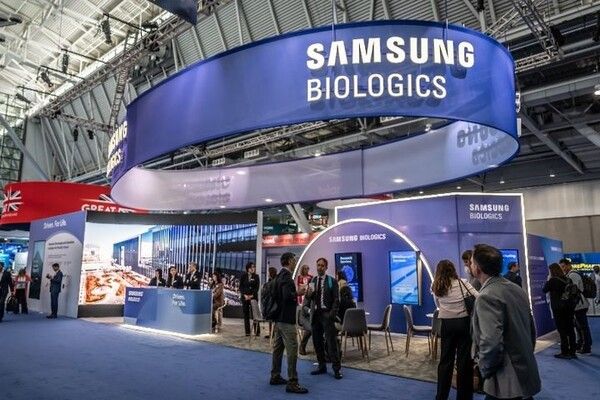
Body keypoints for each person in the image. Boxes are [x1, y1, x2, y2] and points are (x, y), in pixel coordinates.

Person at [470, 244, 540, 400]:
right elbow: (531, 330)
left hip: (505, 379)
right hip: (524, 369)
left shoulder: (486, 296)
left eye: (472, 262)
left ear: (478, 268)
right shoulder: (517, 289)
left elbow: (491, 341)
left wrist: (484, 369)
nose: (470, 266)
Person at [432, 259, 479, 400]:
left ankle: (441, 396)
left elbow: (437, 304)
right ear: (453, 270)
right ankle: (464, 397)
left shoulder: (436, 286)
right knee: (464, 362)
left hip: (446, 325)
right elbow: (478, 297)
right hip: (464, 324)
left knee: (445, 361)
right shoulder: (463, 283)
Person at [270, 252, 308, 394]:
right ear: (289, 261)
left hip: (279, 319)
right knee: (292, 350)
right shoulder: (287, 277)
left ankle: (275, 376)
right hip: (286, 320)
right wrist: (298, 293)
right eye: (294, 259)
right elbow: (287, 296)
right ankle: (292, 382)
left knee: (278, 349)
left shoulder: (279, 276)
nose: (295, 262)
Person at [304, 257, 342, 380]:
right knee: (317, 342)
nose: (319, 267)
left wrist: (332, 314)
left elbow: (336, 299)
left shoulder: (332, 281)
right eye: (318, 265)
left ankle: (336, 369)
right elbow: (308, 298)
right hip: (316, 315)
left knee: (331, 343)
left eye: (322, 265)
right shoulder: (313, 280)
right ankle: (322, 366)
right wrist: (308, 293)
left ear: (326, 267)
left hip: (327, 314)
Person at [542, 263, 577, 359]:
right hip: (569, 307)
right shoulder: (567, 279)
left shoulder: (552, 280)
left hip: (558, 308)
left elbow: (544, 290)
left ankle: (565, 351)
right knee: (570, 329)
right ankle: (573, 351)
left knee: (562, 330)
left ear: (552, 271)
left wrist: (548, 279)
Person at [559, 258, 592, 354]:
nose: (563, 269)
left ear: (569, 265)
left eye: (564, 266)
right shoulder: (570, 274)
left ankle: (586, 346)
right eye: (561, 267)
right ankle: (581, 344)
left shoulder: (573, 275)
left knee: (582, 327)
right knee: (579, 327)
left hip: (579, 304)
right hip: (577, 304)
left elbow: (573, 290)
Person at [296, 264, 313, 355]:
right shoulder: (299, 277)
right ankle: (302, 346)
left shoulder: (311, 278)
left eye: (308, 268)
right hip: (303, 312)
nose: (307, 270)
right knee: (310, 328)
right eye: (305, 269)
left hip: (311, 313)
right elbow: (299, 289)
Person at [240, 261, 260, 336]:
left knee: (255, 315)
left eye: (254, 267)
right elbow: (241, 287)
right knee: (246, 315)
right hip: (245, 298)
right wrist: (244, 295)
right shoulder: (243, 276)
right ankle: (247, 332)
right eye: (251, 267)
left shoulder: (256, 276)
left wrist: (251, 296)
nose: (253, 268)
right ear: (248, 268)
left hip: (253, 298)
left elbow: (257, 288)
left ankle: (257, 332)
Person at [263, 267, 278, 339]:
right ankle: (271, 333)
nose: (268, 274)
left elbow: (266, 294)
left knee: (272, 317)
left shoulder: (271, 283)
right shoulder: (274, 282)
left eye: (269, 273)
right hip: (272, 304)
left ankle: (272, 333)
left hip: (272, 304)